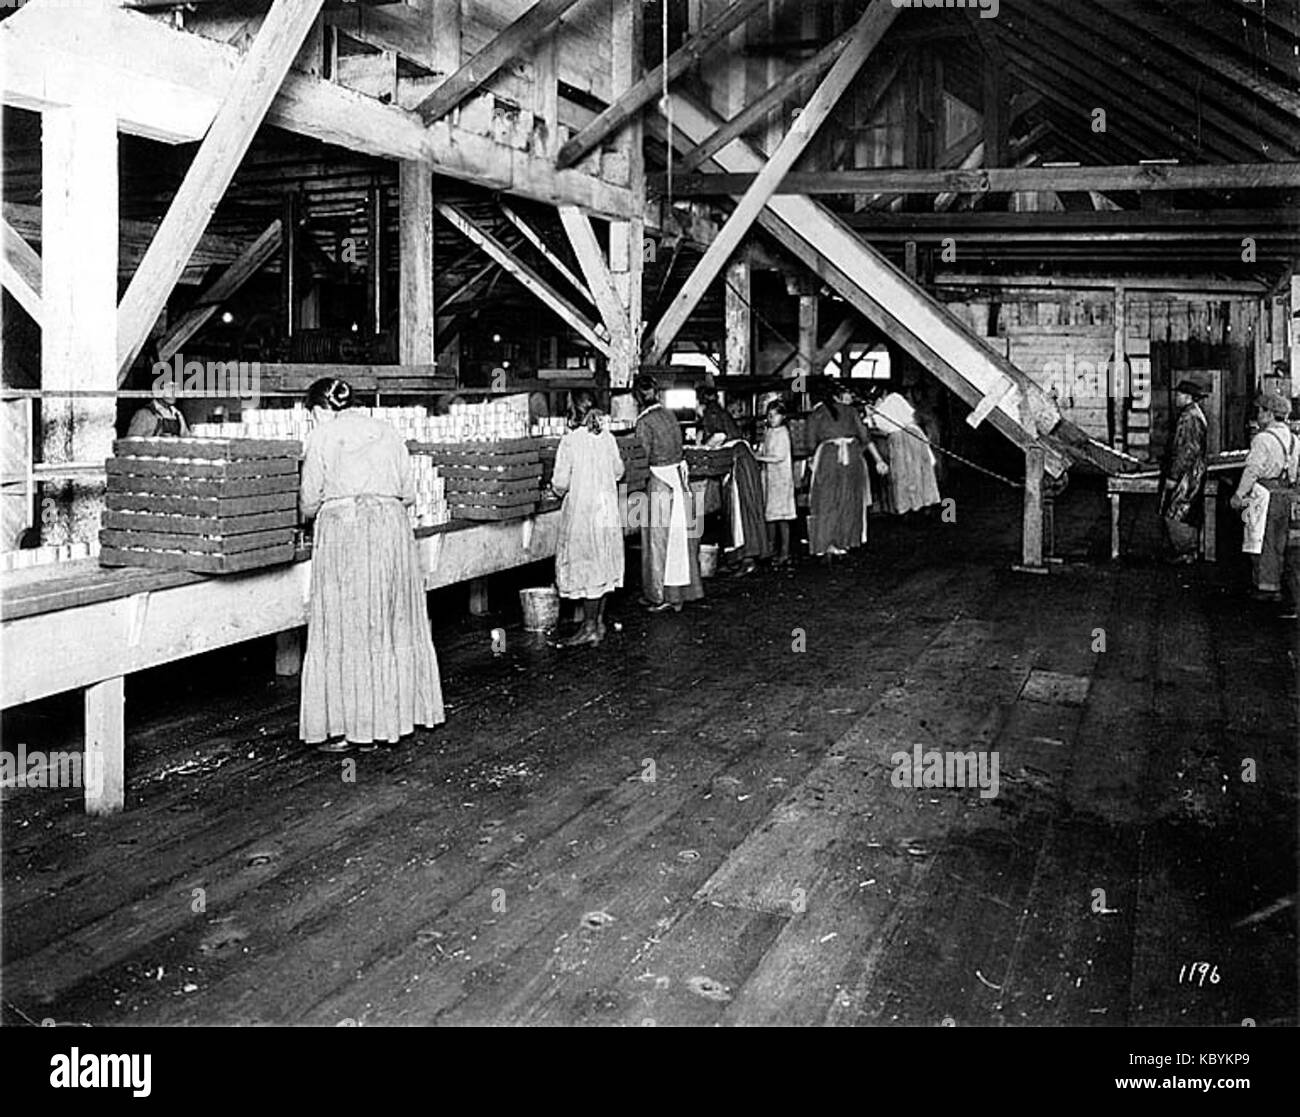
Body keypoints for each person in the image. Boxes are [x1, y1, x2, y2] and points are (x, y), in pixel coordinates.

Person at [298, 377, 444, 752]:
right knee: (389, 623)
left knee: (349, 627)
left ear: (319, 410)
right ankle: (392, 721)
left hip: (346, 532)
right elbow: (409, 494)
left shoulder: (322, 436)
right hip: (392, 530)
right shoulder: (389, 431)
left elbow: (308, 504)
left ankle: (352, 730)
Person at [551, 391, 625, 646]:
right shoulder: (608, 438)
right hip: (606, 510)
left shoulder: (570, 441)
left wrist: (556, 490)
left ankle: (590, 627)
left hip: (584, 512)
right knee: (603, 565)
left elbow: (560, 483)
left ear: (572, 412)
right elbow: (619, 472)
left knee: (589, 567)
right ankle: (599, 622)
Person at [634, 373, 703, 612]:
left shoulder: (644, 422)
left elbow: (642, 456)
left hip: (659, 481)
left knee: (658, 541)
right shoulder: (669, 414)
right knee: (680, 540)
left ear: (637, 397)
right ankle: (679, 594)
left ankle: (660, 595)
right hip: (678, 480)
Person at [1229, 392, 1299, 613]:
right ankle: (1274, 582)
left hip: (1262, 495)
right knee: (1278, 541)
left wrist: (1239, 494)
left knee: (1258, 539)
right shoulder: (1294, 439)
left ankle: (1266, 587)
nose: (1257, 415)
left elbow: (1252, 470)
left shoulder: (1262, 439)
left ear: (1269, 414)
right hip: (1285, 495)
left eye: (1260, 411)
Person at [807, 380, 888, 559]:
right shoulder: (851, 411)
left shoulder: (815, 415)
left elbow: (810, 444)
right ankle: (844, 543)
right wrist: (879, 460)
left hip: (828, 458)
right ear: (836, 396)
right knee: (848, 499)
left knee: (826, 501)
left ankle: (827, 544)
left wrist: (813, 460)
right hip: (852, 457)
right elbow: (866, 438)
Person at [695, 385, 769, 575]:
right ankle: (739, 556)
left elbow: (719, 435)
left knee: (741, 510)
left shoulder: (710, 412)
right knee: (740, 510)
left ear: (699, 402)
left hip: (738, 462)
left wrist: (703, 449)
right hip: (741, 459)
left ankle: (748, 559)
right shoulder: (719, 411)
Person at [1158, 377, 1211, 563]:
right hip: (1191, 472)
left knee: (1178, 512)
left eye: (1179, 394)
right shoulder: (1193, 413)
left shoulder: (1189, 418)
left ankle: (1187, 552)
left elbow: (1186, 451)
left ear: (1188, 396)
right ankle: (1187, 551)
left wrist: (1173, 475)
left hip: (1187, 475)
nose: (1176, 397)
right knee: (1183, 511)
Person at [867, 387, 942, 516]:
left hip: (905, 437)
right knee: (911, 471)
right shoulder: (882, 405)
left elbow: (883, 428)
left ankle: (915, 506)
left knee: (908, 471)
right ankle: (916, 506)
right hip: (906, 436)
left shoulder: (891, 400)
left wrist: (873, 413)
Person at [754, 398, 797, 566]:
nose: (771, 419)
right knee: (771, 515)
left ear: (782, 417)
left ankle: (784, 552)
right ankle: (770, 548)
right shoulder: (770, 432)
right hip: (771, 478)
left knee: (782, 517)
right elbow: (765, 448)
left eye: (774, 416)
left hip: (781, 480)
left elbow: (779, 457)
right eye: (769, 416)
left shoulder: (783, 433)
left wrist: (760, 457)